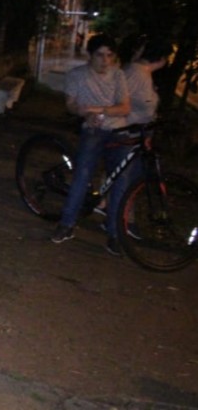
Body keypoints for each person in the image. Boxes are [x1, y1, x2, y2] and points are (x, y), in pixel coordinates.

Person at [51, 34, 131, 255]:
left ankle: (115, 234)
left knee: (120, 182)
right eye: (100, 55)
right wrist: (85, 114)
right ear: (90, 55)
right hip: (93, 130)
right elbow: (71, 105)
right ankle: (66, 224)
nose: (105, 60)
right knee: (82, 176)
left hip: (118, 131)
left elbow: (124, 107)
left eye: (109, 55)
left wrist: (99, 110)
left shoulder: (119, 76)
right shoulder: (77, 75)